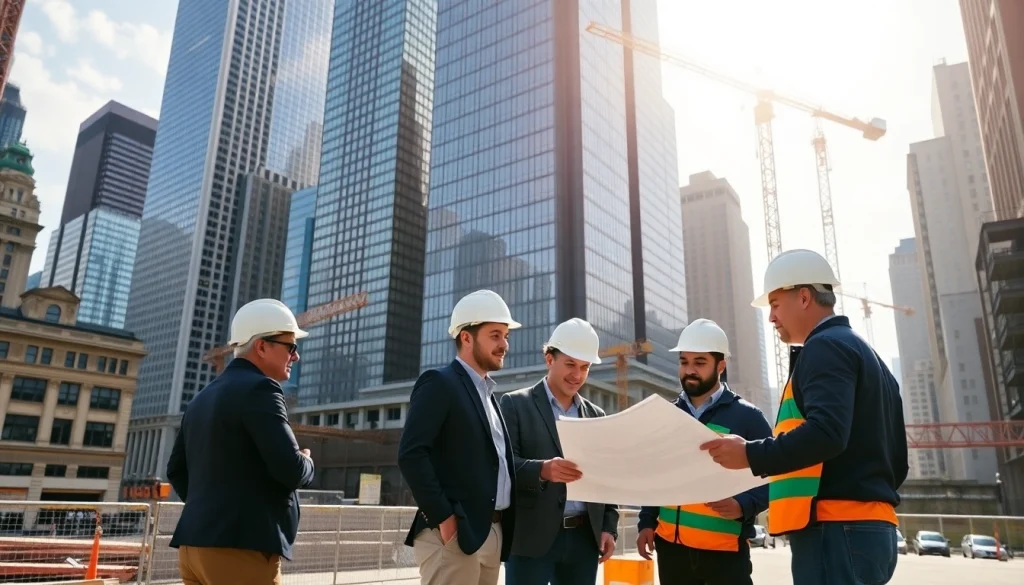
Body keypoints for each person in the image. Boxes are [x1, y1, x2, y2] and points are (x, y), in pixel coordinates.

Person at [701, 249, 909, 585]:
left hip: (835, 529)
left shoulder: (824, 347)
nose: (771, 317)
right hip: (871, 528)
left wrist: (749, 454)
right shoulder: (871, 359)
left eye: (775, 304)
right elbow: (899, 461)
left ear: (803, 297)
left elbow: (827, 432)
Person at [167, 298, 315, 585]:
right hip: (240, 549)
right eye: (290, 347)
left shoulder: (201, 397)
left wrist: (214, 512)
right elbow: (291, 468)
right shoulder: (262, 389)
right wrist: (307, 461)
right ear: (261, 346)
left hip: (193, 548)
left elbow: (176, 470)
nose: (295, 356)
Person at [397, 289, 521, 585]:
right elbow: (411, 454)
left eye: (506, 336)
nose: (504, 344)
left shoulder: (490, 396)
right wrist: (444, 517)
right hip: (454, 535)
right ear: (466, 337)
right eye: (495, 335)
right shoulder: (439, 383)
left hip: (491, 532)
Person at [636, 319, 772, 585]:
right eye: (684, 362)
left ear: (721, 366)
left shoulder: (748, 417)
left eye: (699, 362)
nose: (689, 370)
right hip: (671, 550)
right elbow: (656, 475)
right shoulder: (667, 415)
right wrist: (646, 522)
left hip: (724, 553)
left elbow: (776, 475)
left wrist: (743, 505)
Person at [499, 318, 619, 585]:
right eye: (570, 364)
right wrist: (542, 470)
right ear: (549, 359)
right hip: (531, 541)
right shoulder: (516, 405)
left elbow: (606, 479)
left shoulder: (596, 415)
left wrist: (609, 527)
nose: (577, 375)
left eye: (585, 367)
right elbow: (503, 468)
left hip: (583, 542)